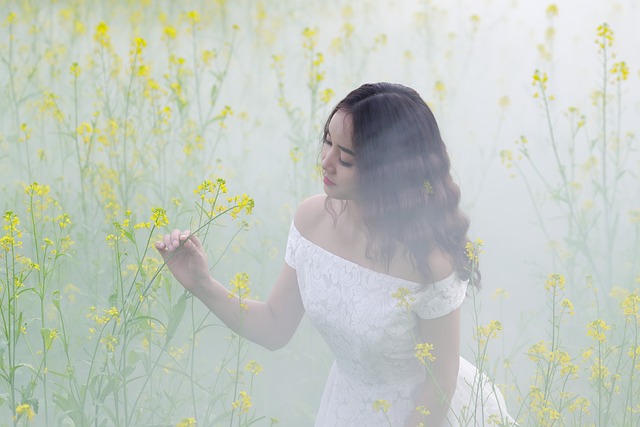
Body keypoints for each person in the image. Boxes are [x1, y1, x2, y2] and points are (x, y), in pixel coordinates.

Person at [156, 83, 514, 426]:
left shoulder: (428, 261)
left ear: (389, 169)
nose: (326, 162)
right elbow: (275, 326)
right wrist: (202, 283)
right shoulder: (311, 220)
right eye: (327, 141)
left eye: (346, 158)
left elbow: (441, 382)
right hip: (348, 406)